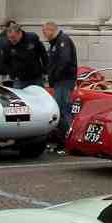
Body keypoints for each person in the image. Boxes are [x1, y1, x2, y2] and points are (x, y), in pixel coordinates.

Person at [42, 21, 78, 153]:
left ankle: (69, 141)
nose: (44, 36)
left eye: (45, 32)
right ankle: (63, 140)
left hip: (64, 80)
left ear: (51, 30)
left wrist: (55, 75)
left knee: (63, 109)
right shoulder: (56, 43)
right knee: (61, 110)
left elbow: (65, 61)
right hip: (59, 81)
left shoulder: (62, 41)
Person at [0, 23, 47, 87]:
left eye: (13, 37)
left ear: (19, 33)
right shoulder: (7, 45)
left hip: (36, 78)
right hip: (19, 79)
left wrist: (45, 70)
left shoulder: (32, 38)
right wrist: (12, 74)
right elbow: (5, 61)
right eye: (9, 38)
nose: (11, 40)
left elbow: (43, 54)